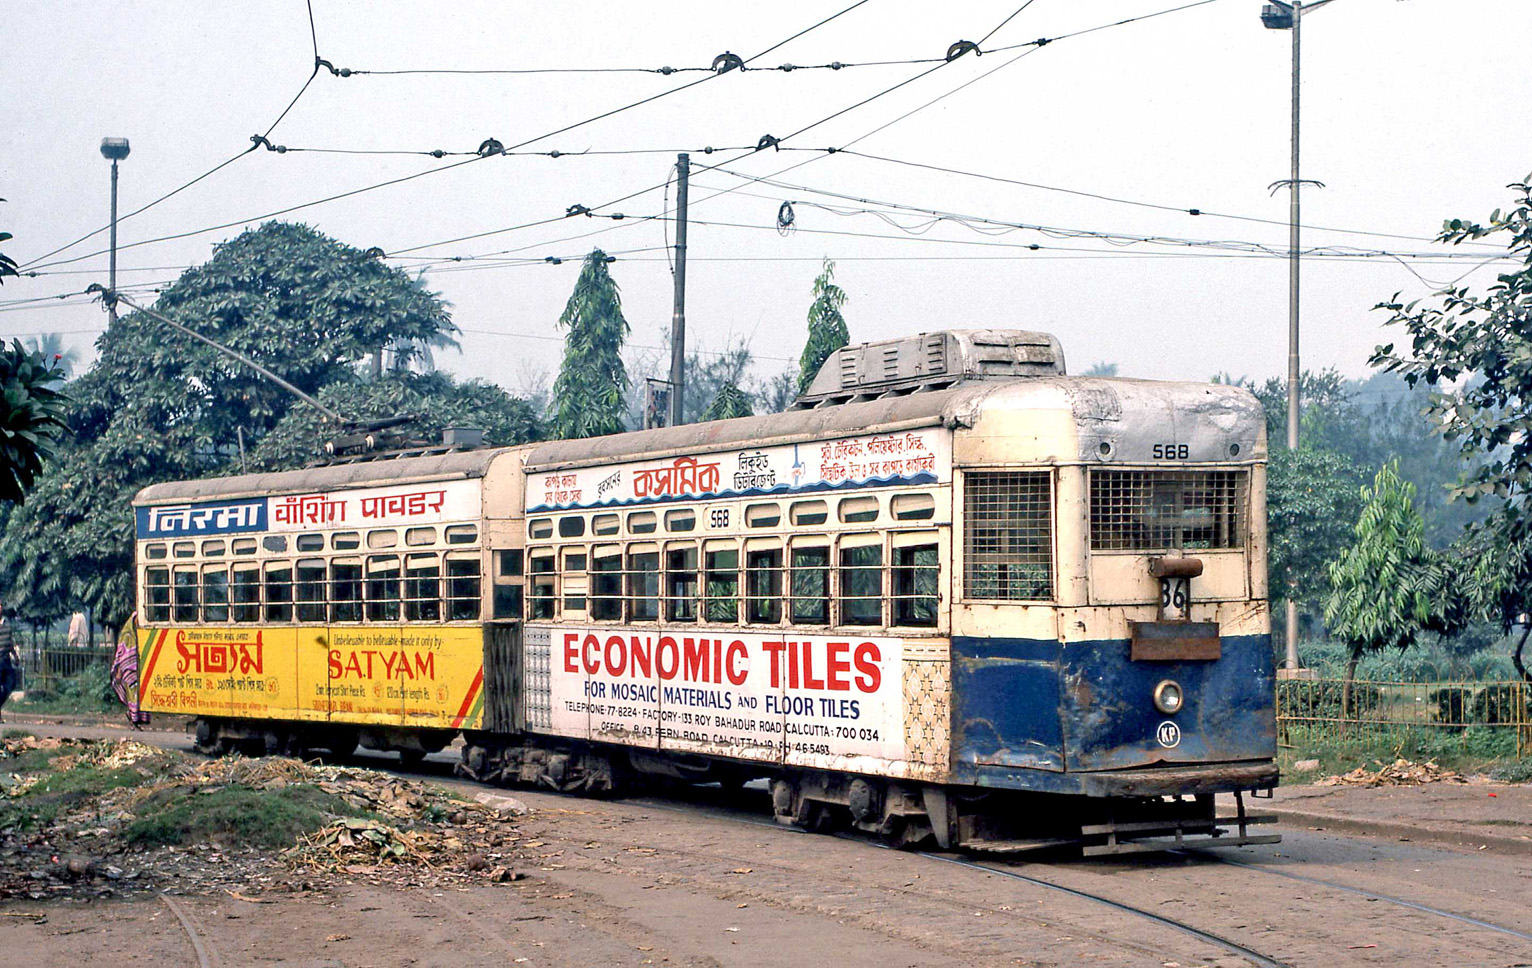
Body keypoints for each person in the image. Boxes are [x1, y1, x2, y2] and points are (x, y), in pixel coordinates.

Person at [110, 613, 149, 729]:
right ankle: (133, 719)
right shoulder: (127, 636)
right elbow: (122, 654)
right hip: (128, 670)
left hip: (137, 670)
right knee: (133, 696)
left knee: (138, 696)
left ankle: (135, 719)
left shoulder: (137, 635)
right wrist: (119, 671)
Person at [0, 606, 18, 723]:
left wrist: (15, 655)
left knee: (11, 683)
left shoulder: (7, 623)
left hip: (6, 659)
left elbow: (10, 641)